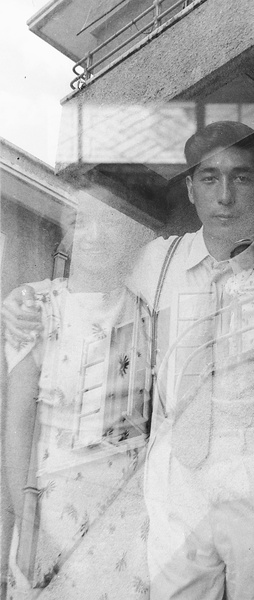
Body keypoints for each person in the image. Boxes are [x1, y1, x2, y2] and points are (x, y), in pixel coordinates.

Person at [3, 122, 254, 600]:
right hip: (173, 485)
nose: (224, 196)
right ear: (191, 189)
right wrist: (20, 301)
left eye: (241, 178)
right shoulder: (156, 261)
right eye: (209, 179)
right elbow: (88, 279)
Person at [3, 193, 151, 599]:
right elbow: (17, 425)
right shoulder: (37, 306)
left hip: (125, 511)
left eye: (109, 222)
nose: (94, 236)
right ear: (66, 230)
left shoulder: (146, 310)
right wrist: (28, 519)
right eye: (81, 221)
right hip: (51, 508)